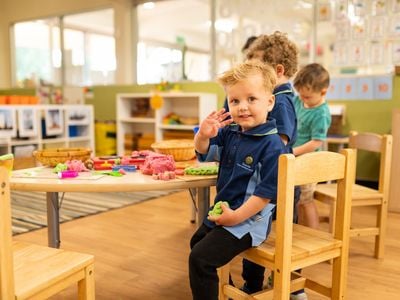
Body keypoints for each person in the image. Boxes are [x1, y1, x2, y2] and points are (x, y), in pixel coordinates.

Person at [189, 60, 287, 300]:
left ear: (270, 102)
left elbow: (263, 196)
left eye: (251, 99)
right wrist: (202, 135)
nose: (242, 107)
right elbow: (203, 152)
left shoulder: (273, 146)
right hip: (224, 212)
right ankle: (224, 290)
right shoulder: (232, 131)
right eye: (235, 101)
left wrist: (235, 217)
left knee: (200, 259)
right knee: (197, 242)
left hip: (248, 221)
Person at [238, 31, 302, 298]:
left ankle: (263, 285)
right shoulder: (275, 99)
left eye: (258, 70)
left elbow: (279, 144)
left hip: (278, 185)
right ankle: (270, 283)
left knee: (261, 232)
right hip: (274, 183)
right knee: (261, 232)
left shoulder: (282, 102)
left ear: (277, 71)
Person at [292, 63, 332, 229]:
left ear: (323, 92)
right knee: (296, 199)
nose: (302, 99)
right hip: (293, 159)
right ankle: (300, 231)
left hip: (309, 162)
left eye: (307, 97)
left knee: (306, 200)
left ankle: (314, 233)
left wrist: (293, 151)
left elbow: (316, 142)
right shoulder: (298, 100)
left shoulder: (321, 113)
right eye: (300, 95)